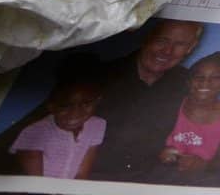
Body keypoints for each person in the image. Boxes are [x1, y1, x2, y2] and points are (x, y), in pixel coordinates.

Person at [86, 18, 204, 182]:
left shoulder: (189, 84)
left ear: (190, 48)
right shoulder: (99, 76)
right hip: (95, 176)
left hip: (151, 177)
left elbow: (208, 121)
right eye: (162, 40)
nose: (167, 51)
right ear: (147, 37)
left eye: (179, 44)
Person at [154, 51, 220, 186]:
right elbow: (154, 143)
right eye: (198, 76)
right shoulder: (174, 106)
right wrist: (166, 155)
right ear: (189, 81)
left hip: (211, 173)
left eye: (215, 78)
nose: (205, 82)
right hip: (171, 172)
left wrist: (203, 165)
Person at [8, 57, 106, 179]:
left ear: (98, 100)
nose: (76, 113)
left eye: (86, 103)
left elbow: (81, 175)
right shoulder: (33, 133)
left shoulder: (97, 125)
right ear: (51, 105)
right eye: (65, 106)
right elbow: (35, 186)